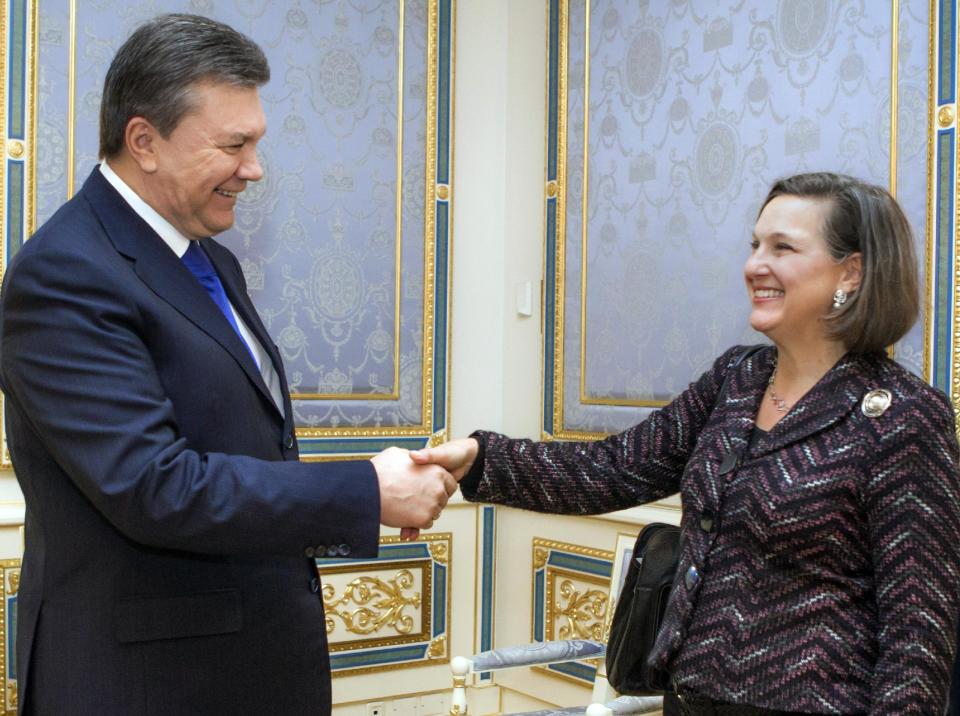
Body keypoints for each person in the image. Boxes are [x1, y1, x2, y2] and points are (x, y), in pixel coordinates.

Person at [0, 14, 455, 715]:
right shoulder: (63, 273)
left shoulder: (212, 261)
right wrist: (366, 490)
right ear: (144, 141)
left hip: (241, 670)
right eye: (233, 145)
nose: (254, 168)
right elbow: (155, 487)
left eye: (257, 143)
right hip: (146, 686)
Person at [413, 172, 960, 714]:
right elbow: (612, 468)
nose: (754, 266)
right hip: (691, 696)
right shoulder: (737, 379)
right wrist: (480, 459)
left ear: (852, 271)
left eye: (782, 247)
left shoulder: (903, 416)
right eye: (755, 245)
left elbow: (918, 632)